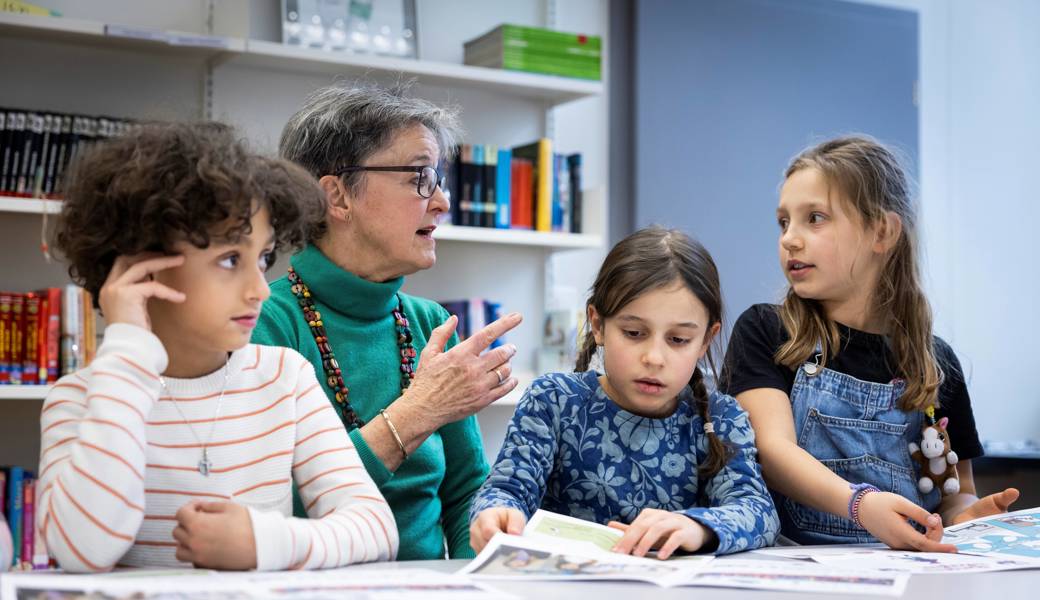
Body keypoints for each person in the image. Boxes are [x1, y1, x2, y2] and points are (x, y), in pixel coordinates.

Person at [38, 122, 396, 572]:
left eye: (263, 258)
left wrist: (266, 543)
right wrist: (127, 353)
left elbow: (375, 526)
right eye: (230, 260)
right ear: (142, 265)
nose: (260, 289)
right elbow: (81, 551)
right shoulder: (80, 399)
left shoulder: (285, 379)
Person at [252, 83, 521, 560]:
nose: (441, 201)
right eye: (420, 176)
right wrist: (417, 413)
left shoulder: (431, 323)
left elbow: (465, 494)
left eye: (439, 178)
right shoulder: (264, 324)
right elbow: (267, 512)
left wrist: (471, 582)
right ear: (336, 196)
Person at [721, 135, 1019, 549]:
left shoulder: (936, 363)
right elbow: (772, 452)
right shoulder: (767, 331)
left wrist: (967, 517)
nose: (790, 238)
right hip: (793, 569)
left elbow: (954, 494)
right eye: (783, 221)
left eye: (815, 218)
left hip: (906, 573)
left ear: (882, 231)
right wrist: (861, 504)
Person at [469, 227, 779, 558]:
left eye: (678, 340)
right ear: (598, 325)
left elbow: (758, 511)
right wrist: (495, 513)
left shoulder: (720, 417)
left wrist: (697, 527)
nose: (654, 358)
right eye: (634, 333)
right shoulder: (553, 401)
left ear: (705, 339)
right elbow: (507, 490)